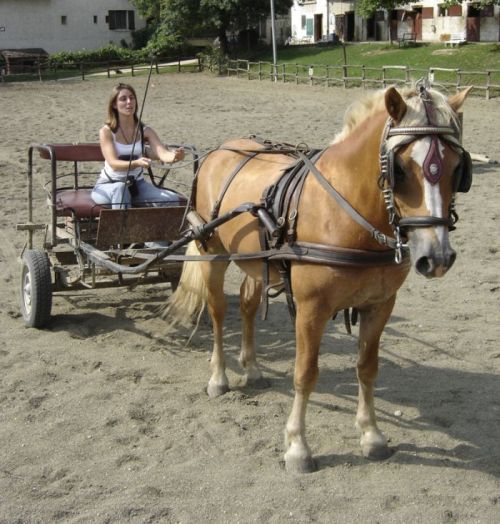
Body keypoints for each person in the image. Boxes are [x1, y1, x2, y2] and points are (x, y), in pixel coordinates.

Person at [91, 82, 185, 210]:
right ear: (114, 104)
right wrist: (137, 163)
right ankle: (122, 230)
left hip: (137, 186)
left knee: (171, 199)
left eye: (132, 97)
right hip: (109, 186)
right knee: (120, 189)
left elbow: (162, 153)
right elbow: (113, 163)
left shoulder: (145, 130)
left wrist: (175, 156)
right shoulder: (106, 132)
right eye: (123, 99)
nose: (129, 102)